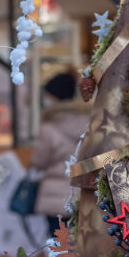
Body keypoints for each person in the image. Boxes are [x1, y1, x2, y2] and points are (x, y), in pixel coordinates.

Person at [30, 71, 87, 236]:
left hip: (56, 199)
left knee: (59, 248)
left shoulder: (49, 126)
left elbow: (39, 161)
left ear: (53, 96)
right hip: (85, 194)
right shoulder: (90, 122)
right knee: (82, 246)